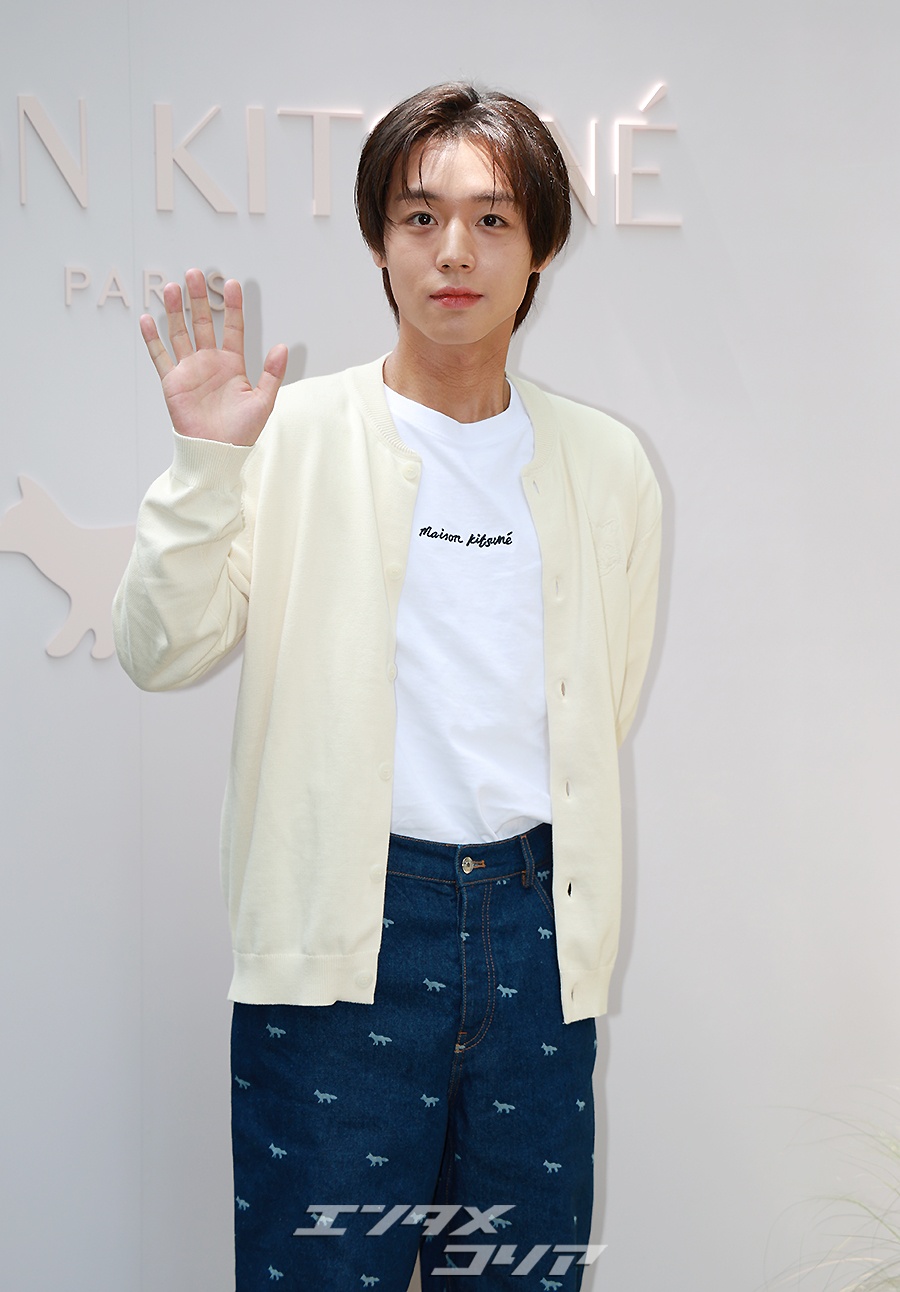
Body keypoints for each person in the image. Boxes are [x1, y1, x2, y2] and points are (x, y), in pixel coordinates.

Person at [114, 81, 662, 1292]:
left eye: (492, 218)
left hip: (537, 940)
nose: (453, 250)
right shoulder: (289, 433)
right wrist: (205, 464)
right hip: (341, 937)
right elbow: (160, 648)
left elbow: (597, 706)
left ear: (540, 248)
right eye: (420, 217)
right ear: (379, 240)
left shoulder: (608, 463)